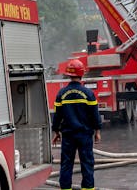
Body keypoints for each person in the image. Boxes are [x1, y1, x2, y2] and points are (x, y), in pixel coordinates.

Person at [52, 59, 100, 190]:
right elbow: (95, 114)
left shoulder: (61, 94)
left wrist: (56, 131)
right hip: (84, 134)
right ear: (82, 74)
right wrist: (97, 132)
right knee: (87, 164)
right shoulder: (89, 94)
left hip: (68, 135)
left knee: (66, 164)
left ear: (68, 75)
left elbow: (57, 116)